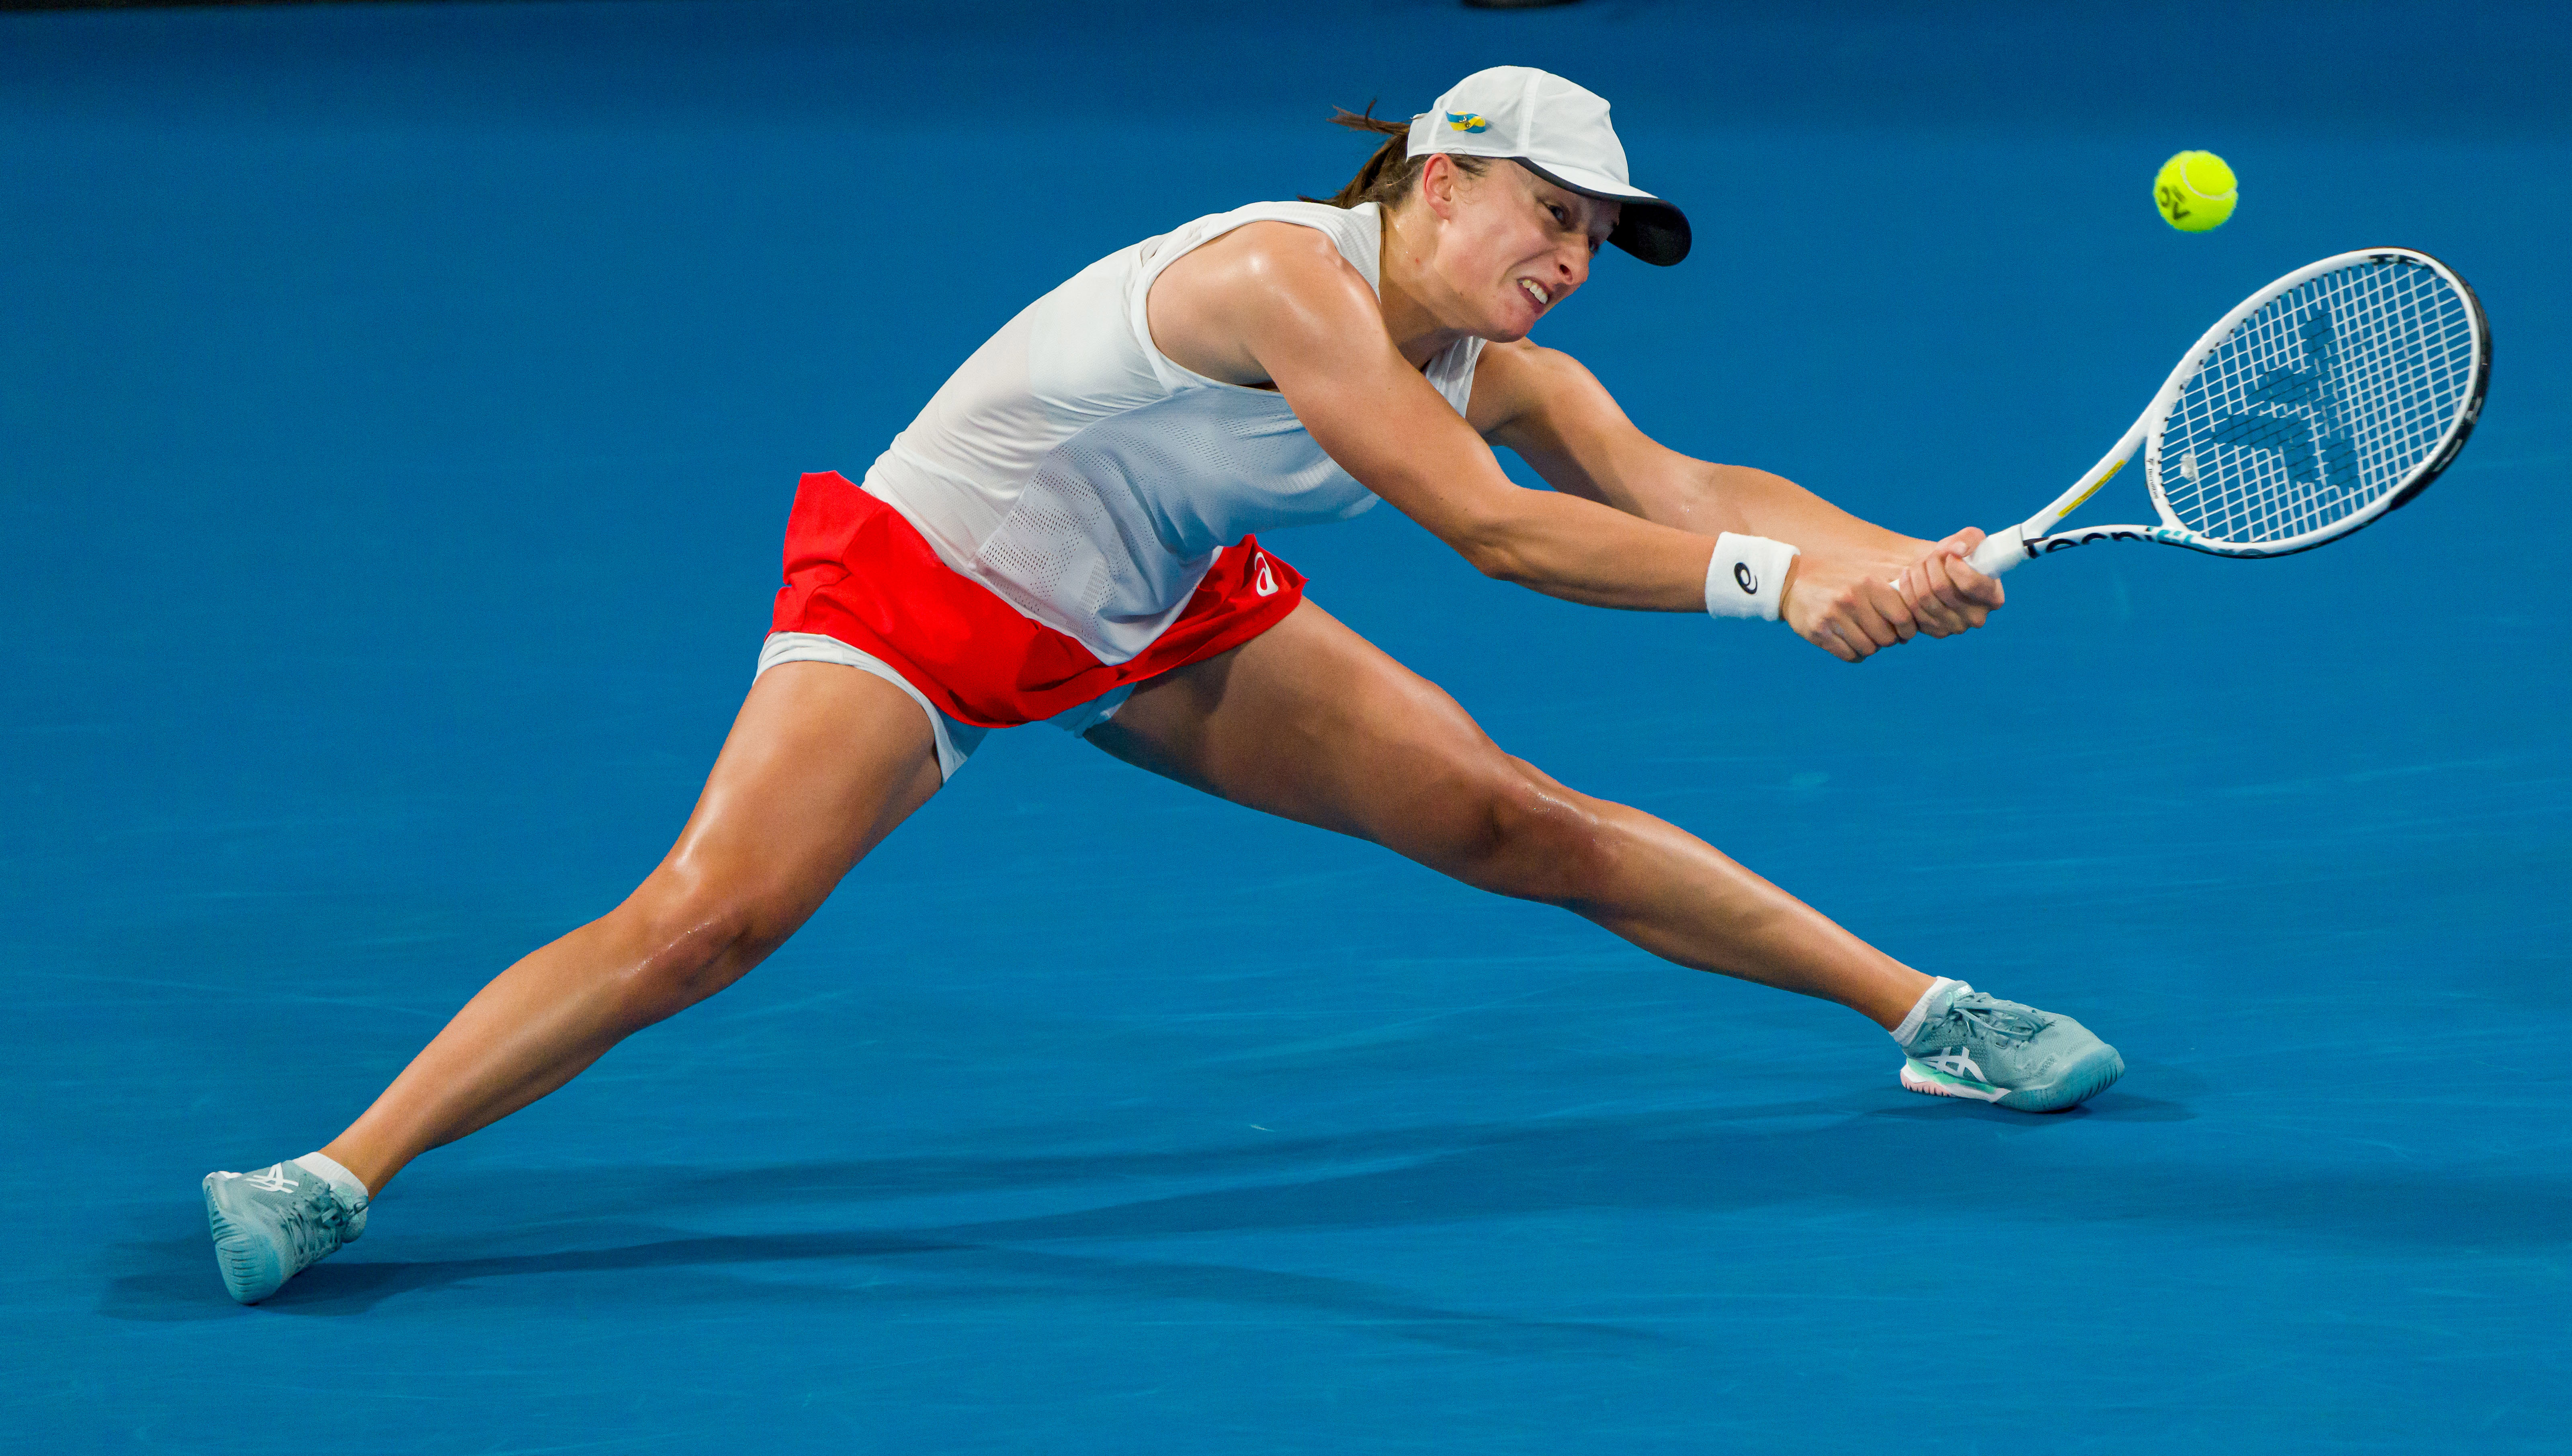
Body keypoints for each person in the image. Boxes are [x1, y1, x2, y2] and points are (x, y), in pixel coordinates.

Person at [203, 66, 2122, 1306]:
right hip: (931, 603)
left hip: (1162, 613)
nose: (1569, 260)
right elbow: (1498, 536)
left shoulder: (1489, 343)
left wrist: (1891, 561)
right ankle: (330, 1175)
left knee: (1513, 820)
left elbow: (1676, 488)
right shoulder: (1291, 280)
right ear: (1435, 178)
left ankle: (1926, 1013)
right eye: (1546, 213)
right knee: (703, 927)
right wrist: (1784, 591)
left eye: (1596, 239)